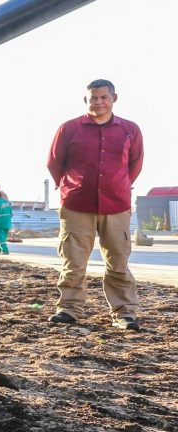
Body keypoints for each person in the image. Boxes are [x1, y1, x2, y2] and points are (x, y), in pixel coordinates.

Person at [46, 79, 143, 331]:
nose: (98, 102)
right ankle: (68, 310)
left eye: (103, 97)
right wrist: (70, 187)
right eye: (93, 98)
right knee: (74, 261)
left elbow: (134, 165)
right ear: (86, 100)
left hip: (117, 206)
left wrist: (118, 185)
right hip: (77, 206)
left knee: (118, 262)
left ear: (114, 98)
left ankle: (124, 313)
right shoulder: (69, 128)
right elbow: (54, 163)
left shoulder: (130, 130)